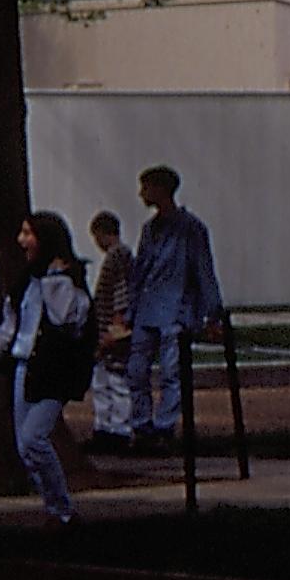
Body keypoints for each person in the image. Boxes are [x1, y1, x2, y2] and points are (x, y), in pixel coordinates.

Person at [0, 210, 94, 531]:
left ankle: (63, 510)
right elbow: (11, 325)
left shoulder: (66, 281)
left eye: (28, 234)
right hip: (24, 369)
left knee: (33, 439)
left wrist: (56, 281)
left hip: (52, 371)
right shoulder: (26, 281)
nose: (21, 241)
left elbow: (66, 319)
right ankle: (53, 508)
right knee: (24, 448)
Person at [121, 164, 227, 455]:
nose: (142, 194)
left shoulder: (191, 229)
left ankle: (164, 426)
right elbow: (140, 271)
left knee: (171, 372)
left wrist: (212, 311)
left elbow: (203, 269)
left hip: (176, 309)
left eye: (146, 187)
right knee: (136, 370)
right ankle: (142, 425)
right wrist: (130, 310)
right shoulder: (149, 230)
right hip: (148, 308)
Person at [82, 211, 137, 451]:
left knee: (115, 382)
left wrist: (115, 329)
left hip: (113, 329)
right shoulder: (119, 256)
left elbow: (121, 295)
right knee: (102, 381)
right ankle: (105, 426)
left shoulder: (118, 257)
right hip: (105, 328)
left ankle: (118, 428)